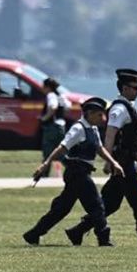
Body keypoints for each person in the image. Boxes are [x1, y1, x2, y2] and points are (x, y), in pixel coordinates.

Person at [66, 68, 137, 247]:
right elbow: (110, 134)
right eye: (134, 88)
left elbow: (128, 139)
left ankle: (77, 231)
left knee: (110, 204)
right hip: (121, 163)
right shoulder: (119, 109)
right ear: (124, 88)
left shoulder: (128, 107)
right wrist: (109, 161)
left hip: (126, 161)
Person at [23, 97, 123, 247]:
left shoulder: (93, 128)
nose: (103, 119)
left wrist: (113, 162)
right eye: (99, 115)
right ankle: (104, 239)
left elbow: (99, 148)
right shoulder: (78, 129)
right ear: (89, 113)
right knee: (96, 205)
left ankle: (34, 234)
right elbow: (62, 148)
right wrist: (45, 164)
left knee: (61, 209)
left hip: (82, 173)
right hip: (77, 172)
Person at [39, 77, 67, 175]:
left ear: (48, 87)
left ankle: (44, 175)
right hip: (61, 126)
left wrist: (44, 118)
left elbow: (53, 107)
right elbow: (67, 107)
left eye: (43, 86)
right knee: (62, 152)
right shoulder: (60, 96)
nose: (42, 88)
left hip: (52, 127)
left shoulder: (51, 95)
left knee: (47, 152)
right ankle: (73, 169)